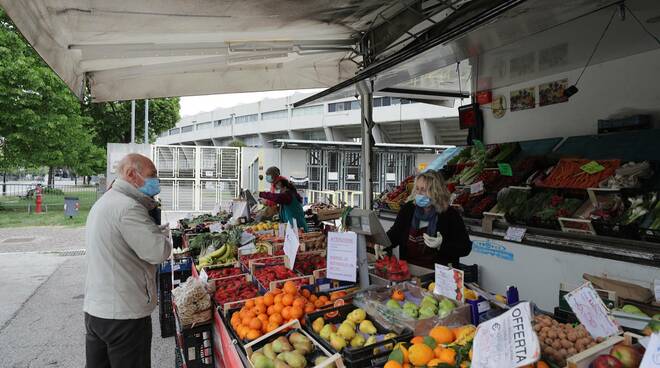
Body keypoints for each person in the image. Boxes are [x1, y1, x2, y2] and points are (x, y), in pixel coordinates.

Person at [84, 153, 172, 368]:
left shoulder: (106, 201)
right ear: (132, 174)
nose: (156, 181)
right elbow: (158, 252)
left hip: (98, 311)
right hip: (124, 314)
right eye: (152, 175)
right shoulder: (127, 208)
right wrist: (164, 235)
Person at [385, 171, 471, 269]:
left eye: (423, 190)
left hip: (439, 275)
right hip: (408, 270)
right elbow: (395, 234)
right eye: (417, 188)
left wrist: (442, 245)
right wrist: (382, 244)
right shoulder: (408, 210)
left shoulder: (450, 215)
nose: (419, 193)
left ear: (436, 192)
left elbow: (465, 248)